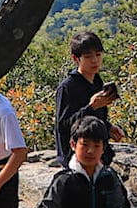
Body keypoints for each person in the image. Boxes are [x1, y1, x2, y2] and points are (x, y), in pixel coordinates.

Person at [53, 30, 126, 169]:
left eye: (98, 55)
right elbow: (63, 127)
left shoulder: (97, 81)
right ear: (76, 59)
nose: (94, 60)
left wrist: (109, 128)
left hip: (98, 155)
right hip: (76, 159)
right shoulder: (68, 87)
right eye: (88, 56)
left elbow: (95, 119)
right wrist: (91, 107)